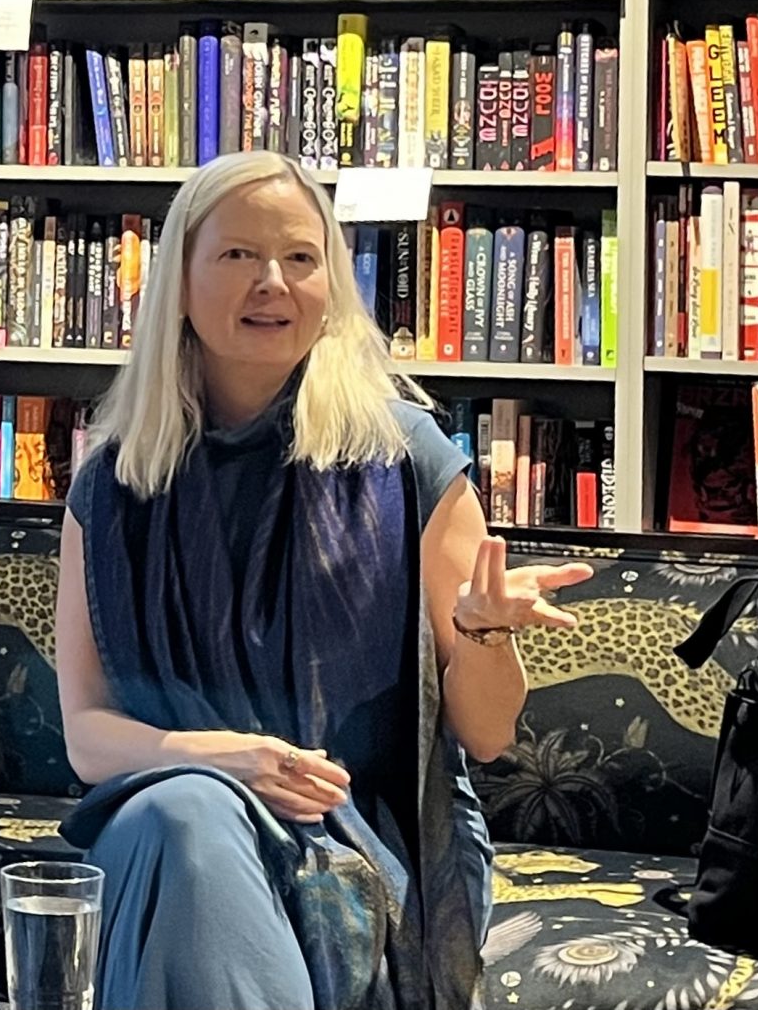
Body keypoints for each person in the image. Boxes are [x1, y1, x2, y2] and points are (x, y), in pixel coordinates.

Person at [55, 150, 593, 1009]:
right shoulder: (112, 483)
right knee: (186, 814)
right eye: (237, 256)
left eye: (300, 258)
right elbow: (87, 736)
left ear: (331, 283)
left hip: (356, 830)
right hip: (162, 820)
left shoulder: (408, 457)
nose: (272, 282)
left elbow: (487, 739)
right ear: (180, 280)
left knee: (188, 824)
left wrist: (486, 634)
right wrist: (218, 761)